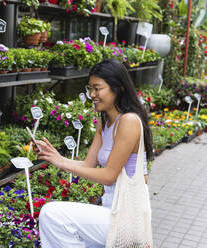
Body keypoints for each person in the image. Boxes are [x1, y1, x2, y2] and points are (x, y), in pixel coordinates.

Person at [33, 59, 154, 248]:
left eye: (98, 88)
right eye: (90, 88)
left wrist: (62, 163)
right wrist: (55, 157)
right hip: (110, 211)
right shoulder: (104, 121)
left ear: (118, 88)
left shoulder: (129, 121)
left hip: (128, 218)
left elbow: (108, 176)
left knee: (51, 214)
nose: (92, 94)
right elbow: (88, 165)